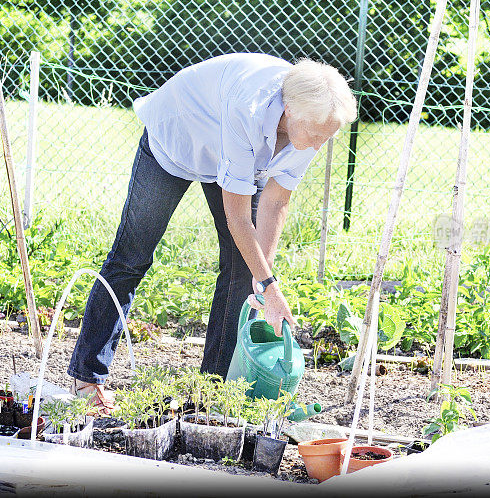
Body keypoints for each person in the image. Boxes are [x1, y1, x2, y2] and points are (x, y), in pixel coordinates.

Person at [67, 53, 357, 415]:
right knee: (131, 257)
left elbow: (276, 201)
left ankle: (211, 394)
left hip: (229, 152)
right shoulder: (248, 109)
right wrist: (270, 286)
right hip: (176, 141)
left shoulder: (314, 123)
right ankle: (88, 378)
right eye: (315, 134)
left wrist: (261, 280)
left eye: (327, 136)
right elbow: (238, 218)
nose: (319, 144)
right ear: (289, 111)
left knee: (243, 269)